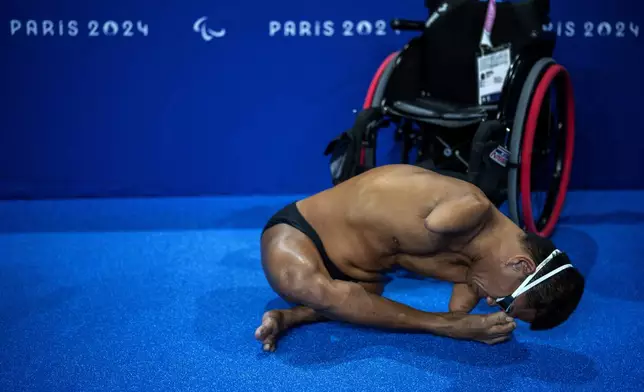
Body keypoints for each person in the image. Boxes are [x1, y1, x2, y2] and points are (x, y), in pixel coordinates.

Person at [255, 164, 584, 352]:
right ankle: (433, 326)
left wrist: (471, 320)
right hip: (298, 234)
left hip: (360, 279)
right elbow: (438, 224)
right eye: (507, 302)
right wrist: (449, 324)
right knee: (301, 283)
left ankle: (290, 317)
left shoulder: (477, 263)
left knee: (360, 301)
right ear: (522, 264)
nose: (494, 303)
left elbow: (460, 305)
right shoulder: (468, 211)